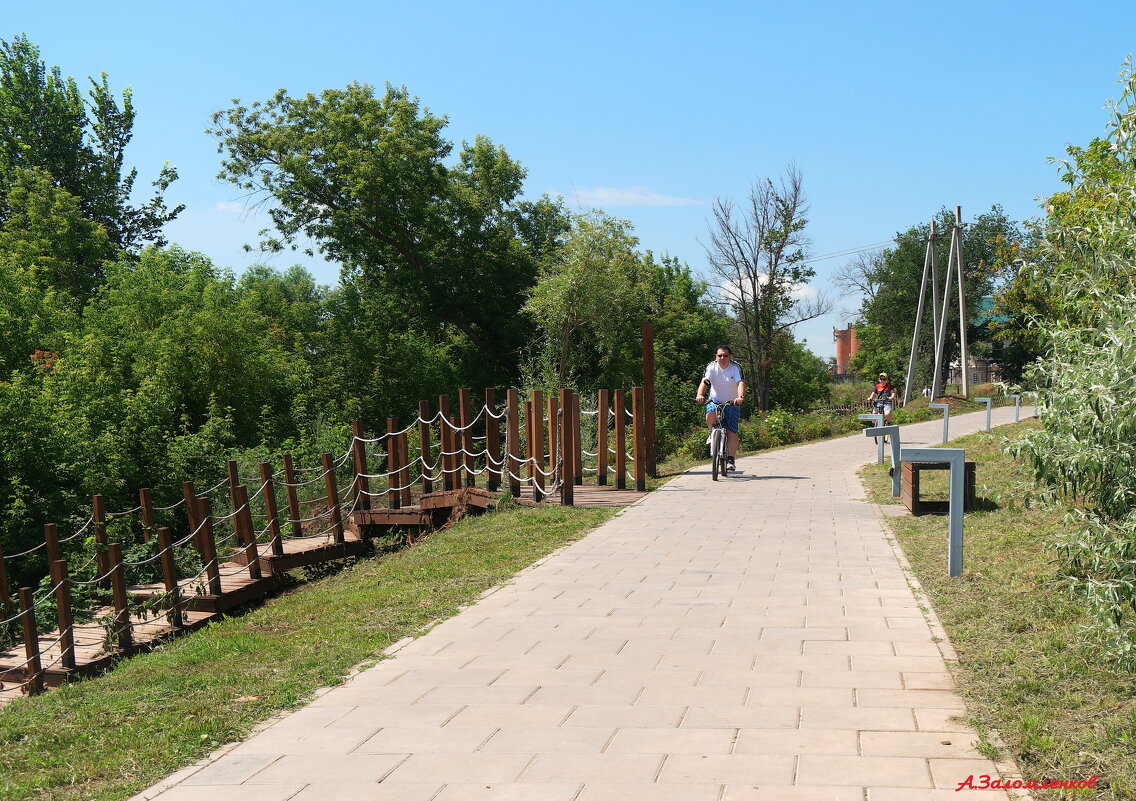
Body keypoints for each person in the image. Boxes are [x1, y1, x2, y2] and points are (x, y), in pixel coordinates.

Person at [695, 346, 745, 470]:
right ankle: (712, 432)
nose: (722, 358)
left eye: (725, 355)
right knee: (710, 411)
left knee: (731, 430)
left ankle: (730, 460)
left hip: (732, 402)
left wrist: (740, 397)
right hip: (715, 400)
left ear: (730, 356)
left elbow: (740, 383)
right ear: (716, 356)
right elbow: (705, 381)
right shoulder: (711, 367)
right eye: (720, 355)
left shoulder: (735, 367)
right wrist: (700, 395)